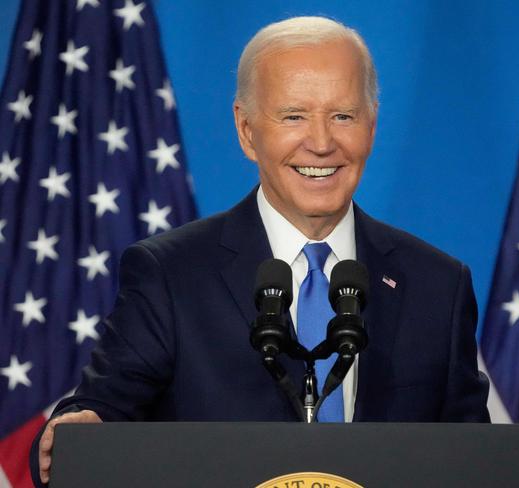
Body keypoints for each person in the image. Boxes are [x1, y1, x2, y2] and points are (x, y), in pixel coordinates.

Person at [32, 16, 489, 485]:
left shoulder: (437, 283)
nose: (321, 142)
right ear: (247, 131)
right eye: (294, 116)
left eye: (343, 116)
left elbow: (477, 460)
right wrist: (79, 429)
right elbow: (99, 413)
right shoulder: (170, 275)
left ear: (371, 126)